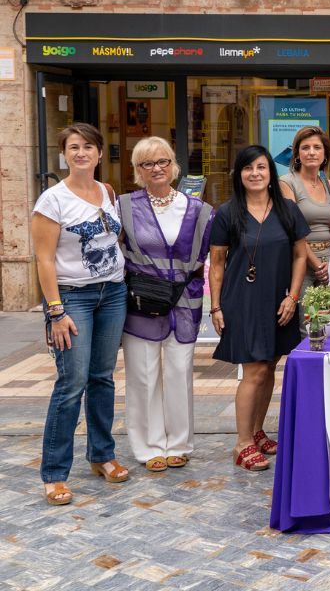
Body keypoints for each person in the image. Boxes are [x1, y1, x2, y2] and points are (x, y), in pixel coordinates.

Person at [32, 124, 128, 505]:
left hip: (113, 293)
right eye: (74, 147)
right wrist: (55, 311)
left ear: (100, 154)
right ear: (65, 154)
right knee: (71, 382)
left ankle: (102, 455)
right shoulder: (52, 200)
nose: (82, 153)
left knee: (102, 378)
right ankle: (54, 474)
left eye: (88, 146)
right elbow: (43, 259)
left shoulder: (107, 192)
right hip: (72, 298)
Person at [209, 145, 309, 472]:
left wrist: (293, 297)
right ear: (239, 175)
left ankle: (256, 430)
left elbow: (299, 255)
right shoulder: (227, 213)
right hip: (242, 301)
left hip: (279, 300)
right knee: (253, 371)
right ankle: (241, 443)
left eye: (261, 167)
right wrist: (215, 307)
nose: (255, 173)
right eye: (248, 168)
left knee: (269, 368)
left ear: (270, 173)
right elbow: (217, 263)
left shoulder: (288, 211)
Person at [118, 137, 214, 473]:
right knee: (143, 374)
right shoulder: (124, 206)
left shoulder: (199, 209)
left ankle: (180, 442)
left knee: (178, 371)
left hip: (185, 300)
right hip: (142, 299)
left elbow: (210, 257)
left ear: (173, 165)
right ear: (138, 171)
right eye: (147, 164)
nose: (156, 169)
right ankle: (148, 445)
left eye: (162, 161)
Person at [279, 126, 330, 294]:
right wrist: (318, 265)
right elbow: (292, 231)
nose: (311, 152)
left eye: (317, 147)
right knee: (305, 319)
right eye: (305, 148)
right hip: (301, 262)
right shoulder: (286, 183)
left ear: (325, 154)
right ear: (297, 154)